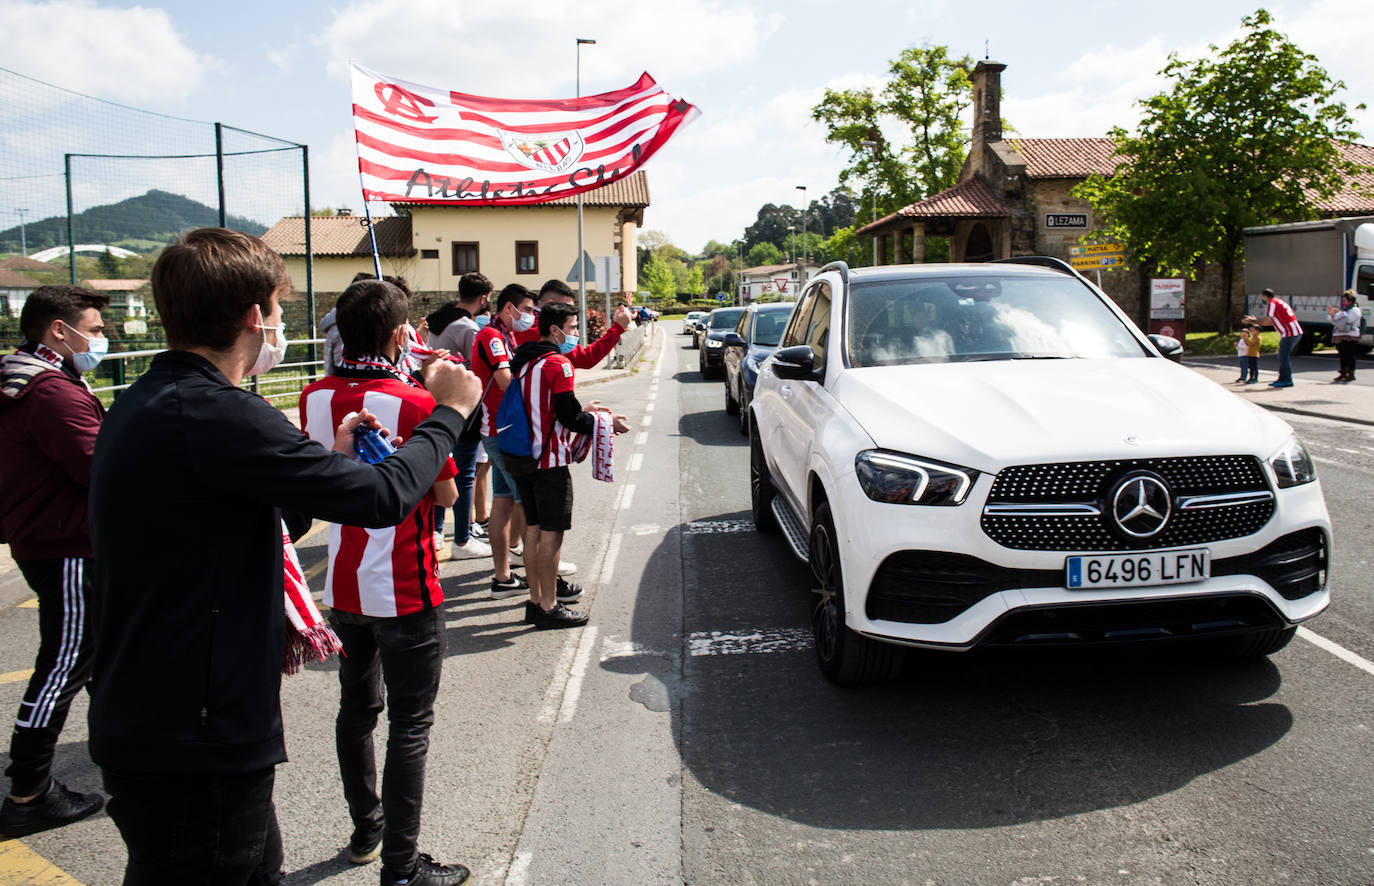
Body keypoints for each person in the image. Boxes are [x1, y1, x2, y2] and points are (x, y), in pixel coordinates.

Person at [88, 228, 481, 885]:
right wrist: (449, 413)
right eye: (276, 310)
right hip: (196, 730)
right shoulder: (219, 412)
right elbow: (384, 497)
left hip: (157, 714)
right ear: (253, 317)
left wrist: (331, 461)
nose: (278, 325)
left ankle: (374, 832)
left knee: (251, 860)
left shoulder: (146, 402)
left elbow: (267, 517)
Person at [299, 278, 469, 886]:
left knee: (356, 710)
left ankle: (365, 831)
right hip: (405, 582)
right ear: (403, 335)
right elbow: (446, 492)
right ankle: (401, 865)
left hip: (342, 583)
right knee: (410, 723)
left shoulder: (313, 395)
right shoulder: (418, 402)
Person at [0, 285, 108, 838]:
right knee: (64, 664)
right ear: (58, 331)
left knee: (93, 656)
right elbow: (103, 470)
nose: (100, 339)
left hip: (51, 537)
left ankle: (121, 749)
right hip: (67, 546)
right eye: (92, 328)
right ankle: (28, 791)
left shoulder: (28, 377)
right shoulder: (51, 394)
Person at [507, 302, 629, 629]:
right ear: (555, 330)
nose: (576, 335)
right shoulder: (558, 365)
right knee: (552, 535)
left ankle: (535, 601)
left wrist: (582, 410)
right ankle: (550, 607)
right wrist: (606, 421)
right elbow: (570, 418)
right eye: (573, 328)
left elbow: (547, 410)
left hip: (521, 459)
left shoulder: (523, 362)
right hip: (549, 462)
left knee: (532, 532)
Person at [471, 284, 537, 600]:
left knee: (503, 501)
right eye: (526, 310)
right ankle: (535, 571)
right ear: (508, 308)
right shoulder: (493, 338)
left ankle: (503, 576)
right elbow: (503, 379)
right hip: (501, 431)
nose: (529, 316)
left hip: (500, 430)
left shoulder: (504, 336)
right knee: (526, 500)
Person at [427, 272, 493, 560]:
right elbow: (478, 367)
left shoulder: (439, 320)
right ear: (483, 299)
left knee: (441, 465)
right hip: (462, 405)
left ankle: (437, 530)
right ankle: (463, 539)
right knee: (464, 472)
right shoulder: (467, 327)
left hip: (435, 399)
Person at [1245, 288, 1302, 388]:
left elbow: (1267, 321)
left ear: (1264, 296)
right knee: (1282, 356)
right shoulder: (1278, 302)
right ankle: (1282, 378)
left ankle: (1286, 380)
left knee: (1283, 356)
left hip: (1290, 333)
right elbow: (1273, 321)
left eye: (1262, 297)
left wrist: (1253, 321)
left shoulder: (1272, 304)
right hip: (1292, 332)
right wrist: (1255, 321)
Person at [1329, 290, 1362, 382]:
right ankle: (1343, 372)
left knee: (1349, 355)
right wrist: (1333, 315)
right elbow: (1335, 321)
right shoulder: (1343, 310)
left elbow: (1347, 319)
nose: (1343, 302)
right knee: (1342, 355)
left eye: (1345, 300)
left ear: (1350, 301)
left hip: (1350, 335)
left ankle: (1351, 373)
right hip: (1340, 335)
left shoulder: (1355, 310)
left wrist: (1336, 315)